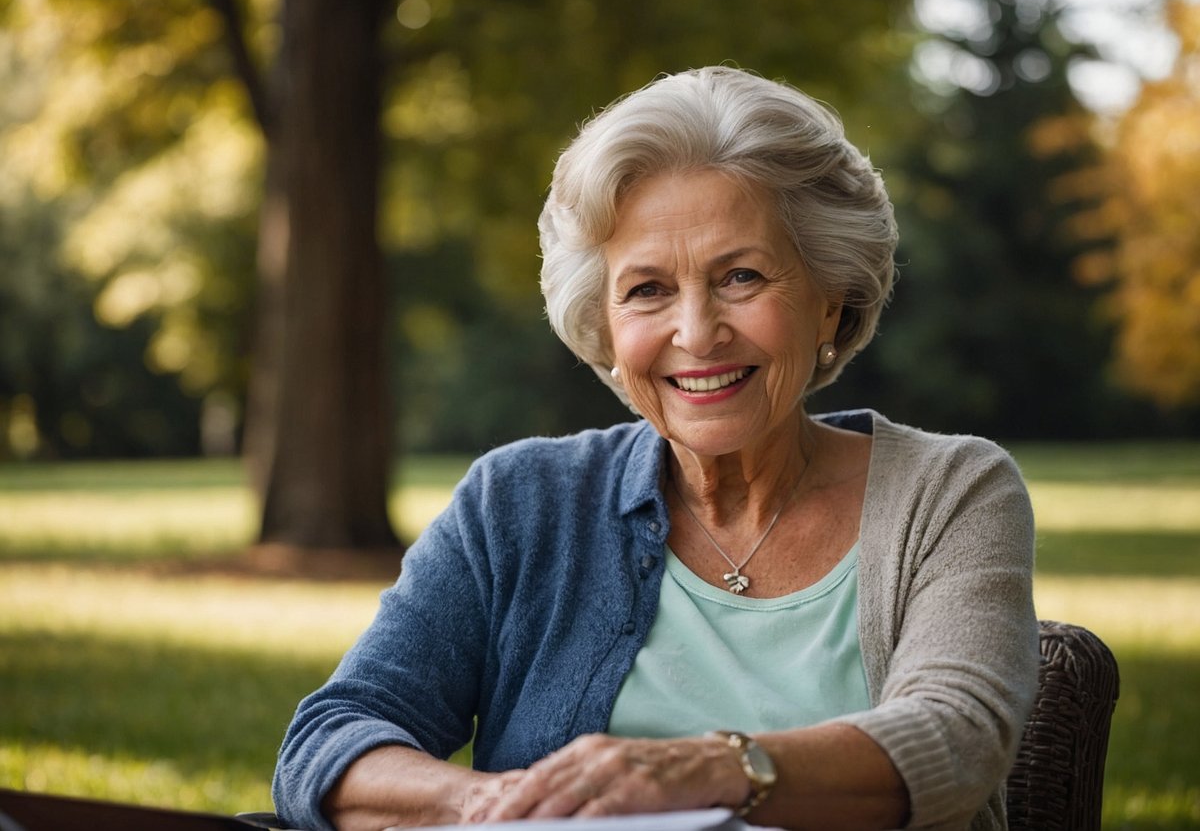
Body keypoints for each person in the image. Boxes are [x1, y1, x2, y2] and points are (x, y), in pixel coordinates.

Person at [272, 66, 1038, 831]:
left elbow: (958, 737)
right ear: (605, 329)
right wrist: (500, 808)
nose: (697, 334)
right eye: (647, 290)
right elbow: (331, 741)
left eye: (740, 277)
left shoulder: (950, 491)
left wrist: (713, 771)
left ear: (829, 303)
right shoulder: (518, 502)